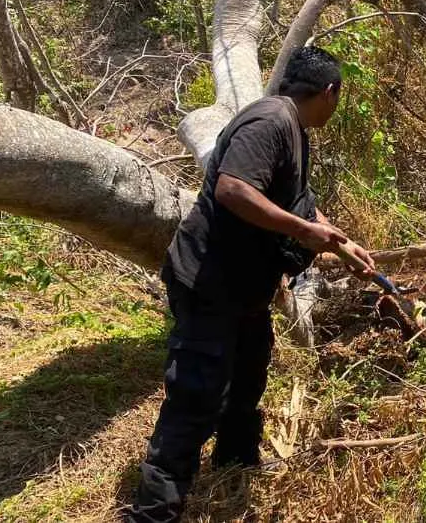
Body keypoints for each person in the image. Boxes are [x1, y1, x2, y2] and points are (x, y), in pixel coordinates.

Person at [127, 46, 376, 522]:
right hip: (209, 283)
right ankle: (154, 511)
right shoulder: (269, 124)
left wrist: (344, 246)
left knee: (247, 377)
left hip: (244, 290)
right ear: (329, 92)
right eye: (338, 97)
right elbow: (232, 188)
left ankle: (235, 463)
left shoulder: (295, 129)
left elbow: (300, 204)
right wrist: (304, 233)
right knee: (195, 395)